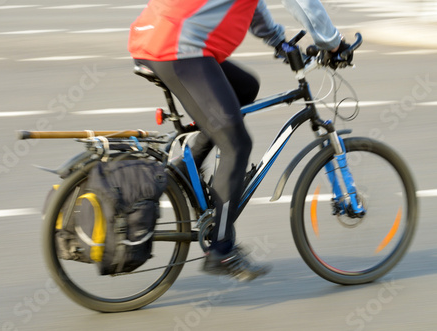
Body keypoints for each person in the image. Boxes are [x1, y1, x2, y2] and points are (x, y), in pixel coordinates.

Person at [128, 0, 351, 282]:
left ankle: (187, 165)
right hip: (177, 47)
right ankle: (221, 250)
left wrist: (278, 41)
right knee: (236, 145)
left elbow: (251, 5)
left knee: (246, 87)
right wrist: (332, 43)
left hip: (160, 36)